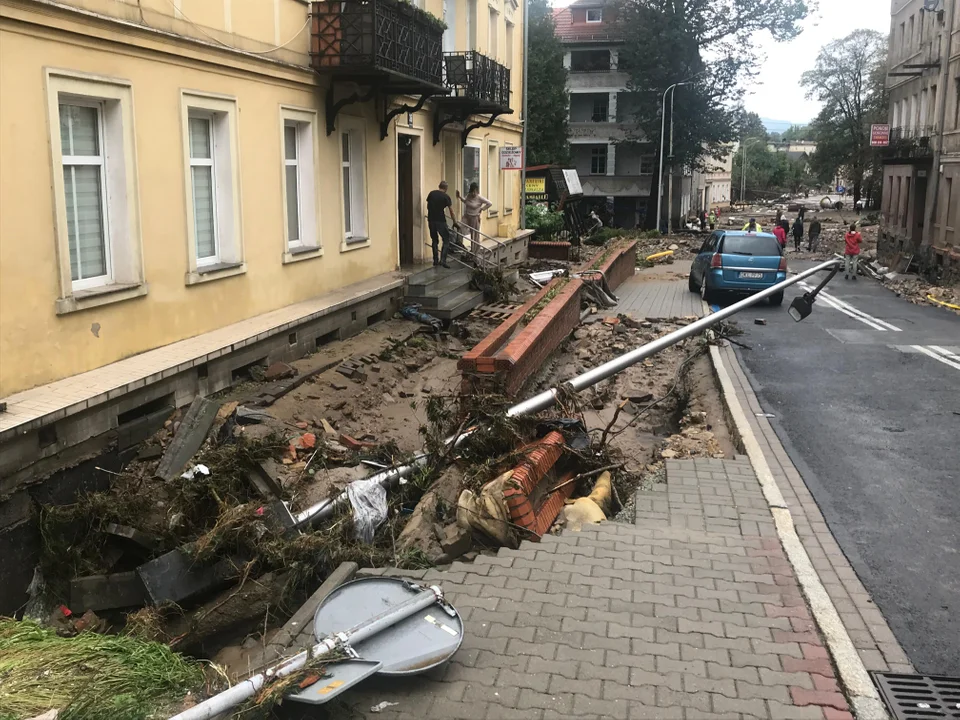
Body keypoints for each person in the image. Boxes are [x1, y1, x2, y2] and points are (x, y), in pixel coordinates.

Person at [426, 181, 458, 268]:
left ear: (439, 186)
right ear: (446, 188)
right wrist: (454, 222)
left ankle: (435, 260)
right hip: (440, 220)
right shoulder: (446, 197)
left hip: (431, 220)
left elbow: (428, 206)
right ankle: (443, 260)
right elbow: (451, 211)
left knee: (434, 240)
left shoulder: (431, 194)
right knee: (446, 239)